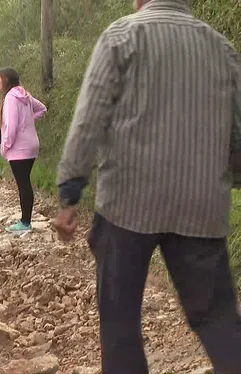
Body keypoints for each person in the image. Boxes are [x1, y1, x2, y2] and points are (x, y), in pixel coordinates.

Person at [54, 0, 241, 373]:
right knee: (218, 319)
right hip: (200, 207)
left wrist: (70, 191)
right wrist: (224, 180)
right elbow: (237, 134)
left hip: (127, 205)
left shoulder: (121, 37)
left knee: (120, 319)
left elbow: (89, 120)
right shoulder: (220, 48)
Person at [0, 67, 47, 234]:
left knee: (23, 184)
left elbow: (10, 128)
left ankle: (25, 222)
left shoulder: (11, 98)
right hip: (31, 145)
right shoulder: (24, 94)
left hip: (19, 148)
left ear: (5, 81)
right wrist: (28, 122)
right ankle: (25, 220)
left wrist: (4, 147)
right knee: (25, 182)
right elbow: (42, 109)